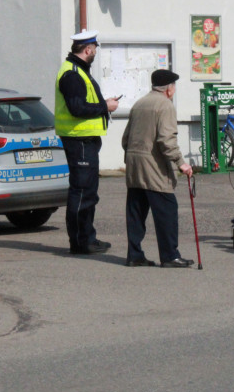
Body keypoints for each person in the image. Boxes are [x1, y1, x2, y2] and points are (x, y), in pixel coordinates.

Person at [121, 69, 196, 268]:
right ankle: (170, 255)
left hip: (134, 165)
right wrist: (181, 163)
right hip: (153, 166)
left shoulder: (140, 103)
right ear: (169, 89)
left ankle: (134, 255)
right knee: (167, 209)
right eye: (174, 86)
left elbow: (125, 138)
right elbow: (166, 140)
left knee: (136, 212)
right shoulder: (165, 106)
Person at [55, 30, 119, 254]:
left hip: (85, 140)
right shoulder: (72, 74)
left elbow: (83, 103)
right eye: (95, 49)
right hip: (78, 139)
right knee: (82, 192)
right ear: (88, 50)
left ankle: (88, 238)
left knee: (88, 191)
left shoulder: (79, 71)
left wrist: (104, 103)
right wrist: (105, 107)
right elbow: (77, 108)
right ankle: (80, 242)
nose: (95, 53)